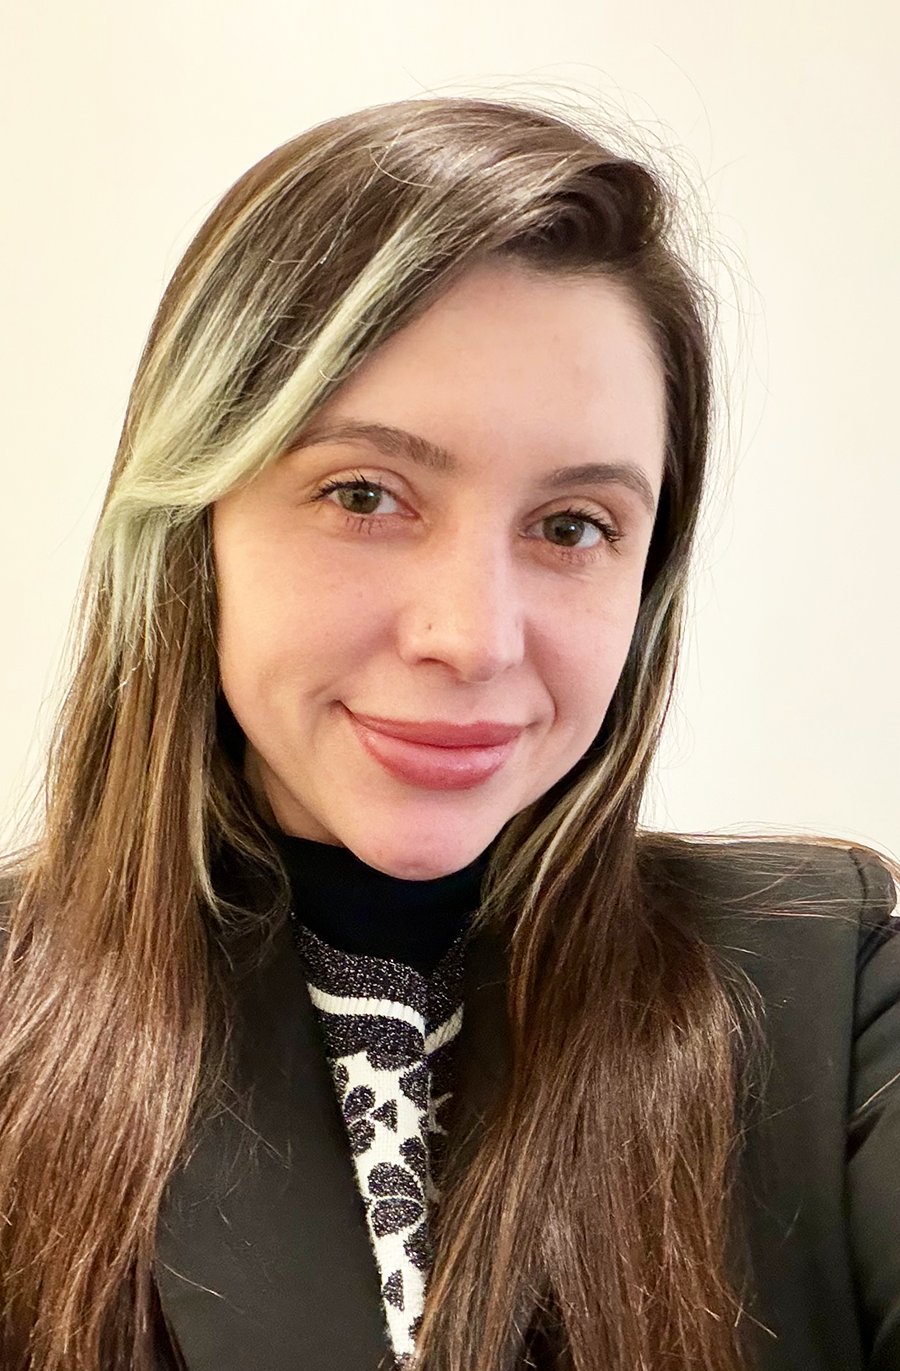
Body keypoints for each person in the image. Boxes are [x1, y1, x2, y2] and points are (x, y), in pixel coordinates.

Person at [0, 94, 897, 1371]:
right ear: (195, 526)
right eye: (365, 495)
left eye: (573, 526)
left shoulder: (832, 989)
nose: (473, 638)